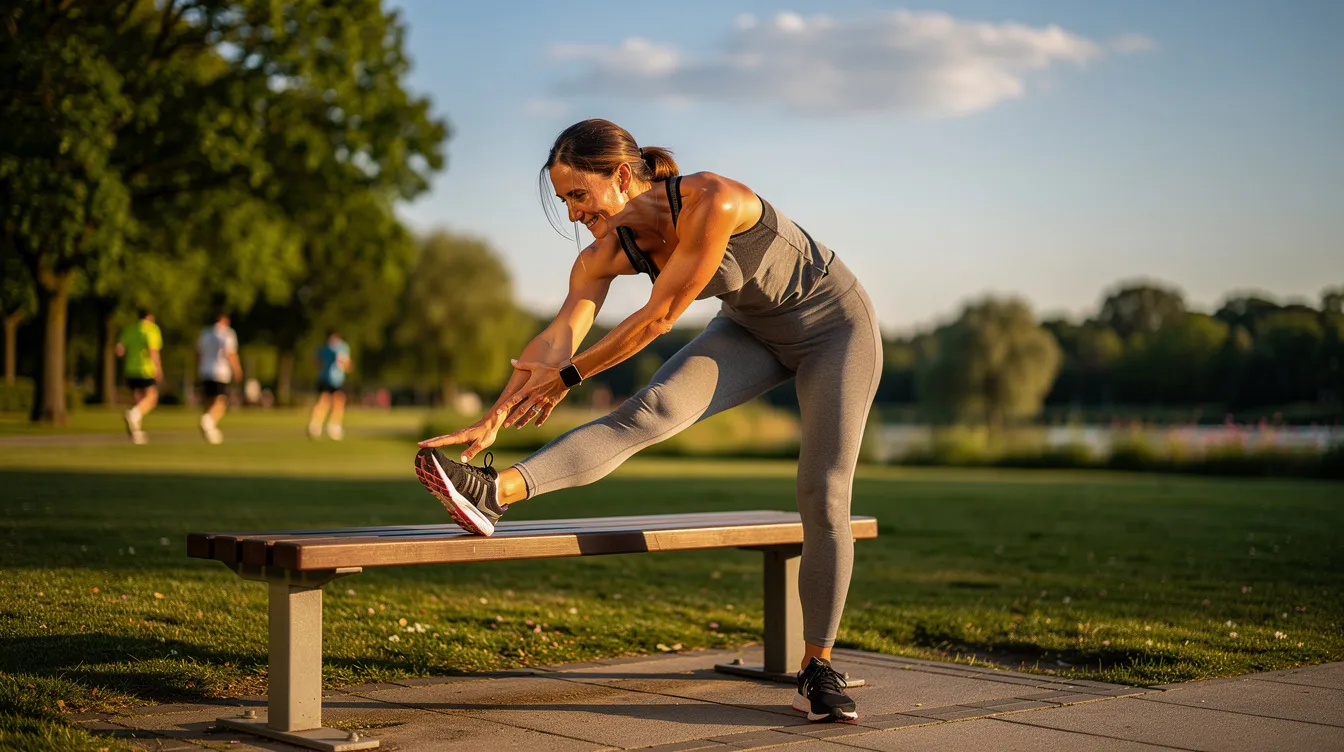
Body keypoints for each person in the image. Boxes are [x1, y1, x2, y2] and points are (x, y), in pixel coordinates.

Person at [415, 119, 882, 723]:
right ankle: (495, 492)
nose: (573, 212)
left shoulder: (714, 200)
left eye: (579, 194)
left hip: (834, 327)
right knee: (652, 409)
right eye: (563, 200)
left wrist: (570, 379)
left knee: (823, 490)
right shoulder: (604, 253)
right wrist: (495, 416)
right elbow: (559, 336)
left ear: (623, 175)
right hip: (751, 332)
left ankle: (817, 667)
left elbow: (660, 316)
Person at [115, 308, 163, 445]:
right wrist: (158, 368)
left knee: (138, 401)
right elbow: (153, 350)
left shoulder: (130, 329)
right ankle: (133, 415)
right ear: (150, 317)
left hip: (130, 369)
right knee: (151, 398)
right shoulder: (151, 329)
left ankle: (136, 433)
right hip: (146, 369)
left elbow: (119, 350)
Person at [197, 313, 242, 444]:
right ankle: (209, 420)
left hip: (205, 370)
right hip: (220, 372)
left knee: (209, 401)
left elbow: (199, 353)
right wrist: (237, 369)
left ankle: (210, 430)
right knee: (221, 403)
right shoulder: (227, 333)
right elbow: (230, 353)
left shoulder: (205, 333)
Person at [308, 330, 352, 440]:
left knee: (339, 402)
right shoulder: (324, 348)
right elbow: (316, 361)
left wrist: (343, 363)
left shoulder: (343, 348)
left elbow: (348, 366)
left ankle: (334, 425)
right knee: (323, 401)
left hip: (338, 380)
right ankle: (315, 425)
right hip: (325, 379)